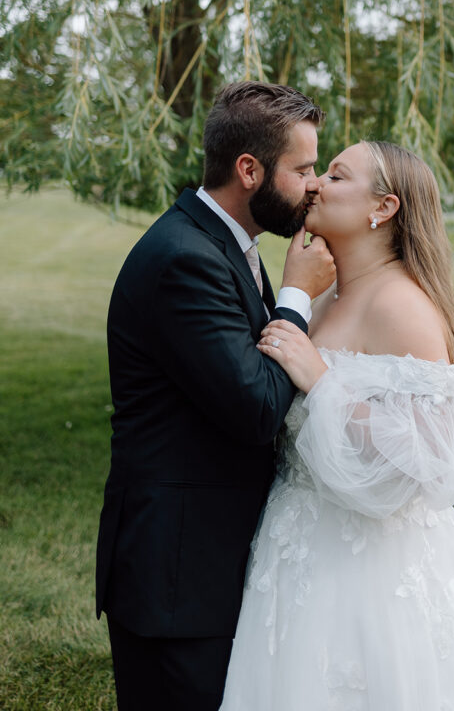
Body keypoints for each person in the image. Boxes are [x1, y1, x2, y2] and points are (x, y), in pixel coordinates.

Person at [220, 140, 454, 710]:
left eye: (335, 176)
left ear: (382, 208)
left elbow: (433, 458)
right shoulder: (326, 295)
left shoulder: (401, 307)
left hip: (372, 566)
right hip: (297, 542)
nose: (313, 184)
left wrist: (322, 382)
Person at [96, 81, 336, 711]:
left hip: (208, 565)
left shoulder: (226, 244)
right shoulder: (185, 260)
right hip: (177, 576)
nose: (315, 184)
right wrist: (298, 296)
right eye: (304, 168)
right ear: (249, 169)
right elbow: (256, 407)